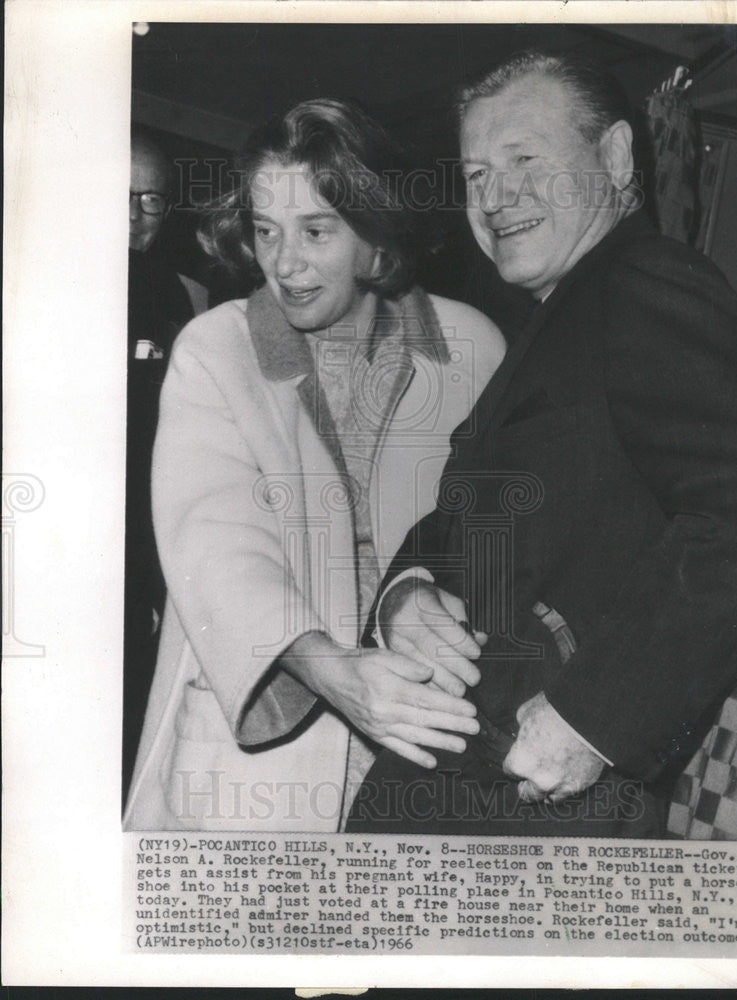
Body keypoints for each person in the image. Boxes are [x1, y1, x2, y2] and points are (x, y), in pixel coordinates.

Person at [347, 50, 737, 837]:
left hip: (541, 801)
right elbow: (454, 528)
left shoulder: (644, 283)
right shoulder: (560, 319)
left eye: (523, 160)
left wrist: (594, 719)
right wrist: (404, 595)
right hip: (466, 782)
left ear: (612, 157)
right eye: (475, 176)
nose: (495, 197)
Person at [122, 99, 505, 831]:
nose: (284, 263)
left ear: (376, 235)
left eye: (315, 231)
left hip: (417, 736)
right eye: (265, 230)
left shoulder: (472, 346)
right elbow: (216, 542)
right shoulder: (216, 348)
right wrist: (334, 669)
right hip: (265, 738)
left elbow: (494, 534)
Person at [124, 127, 206, 804]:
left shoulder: (183, 298)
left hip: (138, 550)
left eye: (150, 200)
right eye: (117, 194)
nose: (131, 216)